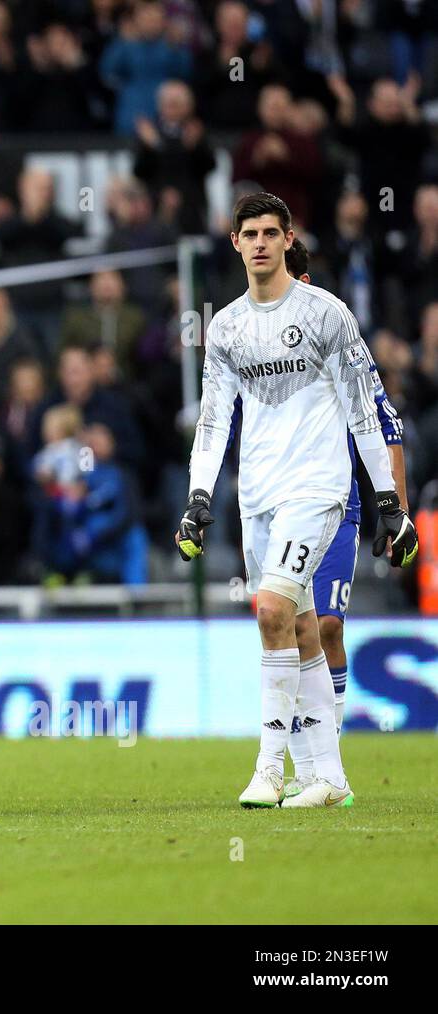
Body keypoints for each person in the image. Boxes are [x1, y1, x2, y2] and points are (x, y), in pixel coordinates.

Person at [178, 192, 417, 810]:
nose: (259, 242)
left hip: (317, 489)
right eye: (248, 233)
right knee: (302, 627)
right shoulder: (226, 326)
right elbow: (212, 420)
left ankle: (268, 768)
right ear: (234, 243)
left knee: (271, 612)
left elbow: (365, 410)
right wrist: (199, 495)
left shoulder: (326, 313)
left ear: (288, 239)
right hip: (257, 495)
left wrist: (390, 503)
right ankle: (328, 779)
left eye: (269, 232)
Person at [225, 238, 408, 800]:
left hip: (336, 503)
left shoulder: (333, 332)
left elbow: (385, 431)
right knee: (295, 623)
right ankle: (319, 770)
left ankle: (323, 758)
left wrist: (393, 508)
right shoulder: (255, 343)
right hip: (275, 502)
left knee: (325, 625)